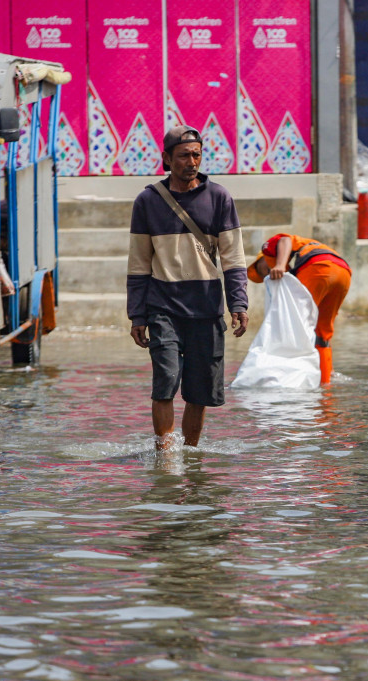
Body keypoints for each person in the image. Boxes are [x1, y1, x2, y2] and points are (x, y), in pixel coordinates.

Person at [127, 125, 249, 450]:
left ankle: (190, 454)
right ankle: (166, 457)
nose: (191, 161)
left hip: (207, 308)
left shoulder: (219, 198)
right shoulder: (147, 202)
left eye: (196, 154)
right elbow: (138, 265)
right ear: (166, 158)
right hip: (163, 307)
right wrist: (137, 315)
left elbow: (233, 258)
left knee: (200, 391)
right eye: (183, 156)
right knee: (165, 382)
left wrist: (239, 304)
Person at [246, 234, 351, 383]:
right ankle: (326, 380)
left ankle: (295, 377)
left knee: (294, 325)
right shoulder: (299, 258)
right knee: (322, 331)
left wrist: (280, 264)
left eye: (262, 269)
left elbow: (285, 239)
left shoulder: (269, 249)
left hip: (317, 267)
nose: (267, 274)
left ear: (263, 258)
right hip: (343, 272)